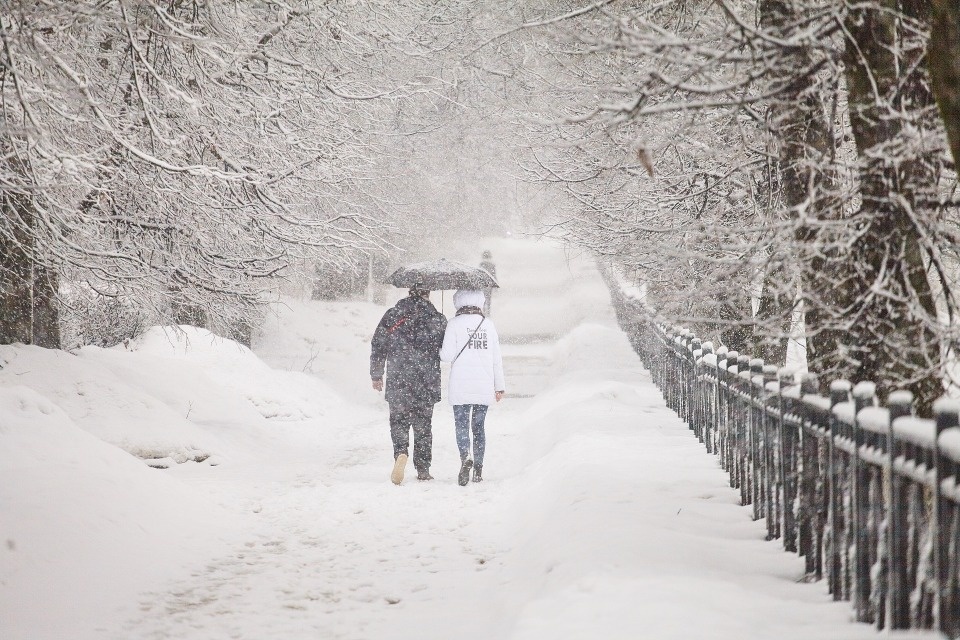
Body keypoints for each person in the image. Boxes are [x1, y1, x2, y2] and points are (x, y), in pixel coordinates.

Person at [370, 286, 447, 484]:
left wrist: (376, 374)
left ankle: (401, 453)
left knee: (398, 421)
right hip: (426, 380)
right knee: (423, 426)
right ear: (427, 294)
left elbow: (378, 344)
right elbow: (446, 350)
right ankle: (423, 468)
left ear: (409, 292)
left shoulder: (393, 315)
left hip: (399, 379)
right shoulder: (437, 318)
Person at [439, 289, 505, 486]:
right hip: (483, 384)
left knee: (461, 425)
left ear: (458, 302)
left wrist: (439, 344)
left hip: (460, 384)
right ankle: (478, 470)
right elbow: (496, 359)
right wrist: (499, 386)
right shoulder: (488, 325)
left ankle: (465, 456)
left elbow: (446, 356)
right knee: (478, 427)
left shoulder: (453, 324)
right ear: (480, 302)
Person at [479, 250, 496, 316]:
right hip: (489, 284)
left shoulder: (482, 264)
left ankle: (483, 311)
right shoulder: (492, 265)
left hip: (483, 283)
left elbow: (479, 274)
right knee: (488, 299)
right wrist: (495, 284)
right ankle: (488, 312)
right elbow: (494, 275)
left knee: (483, 298)